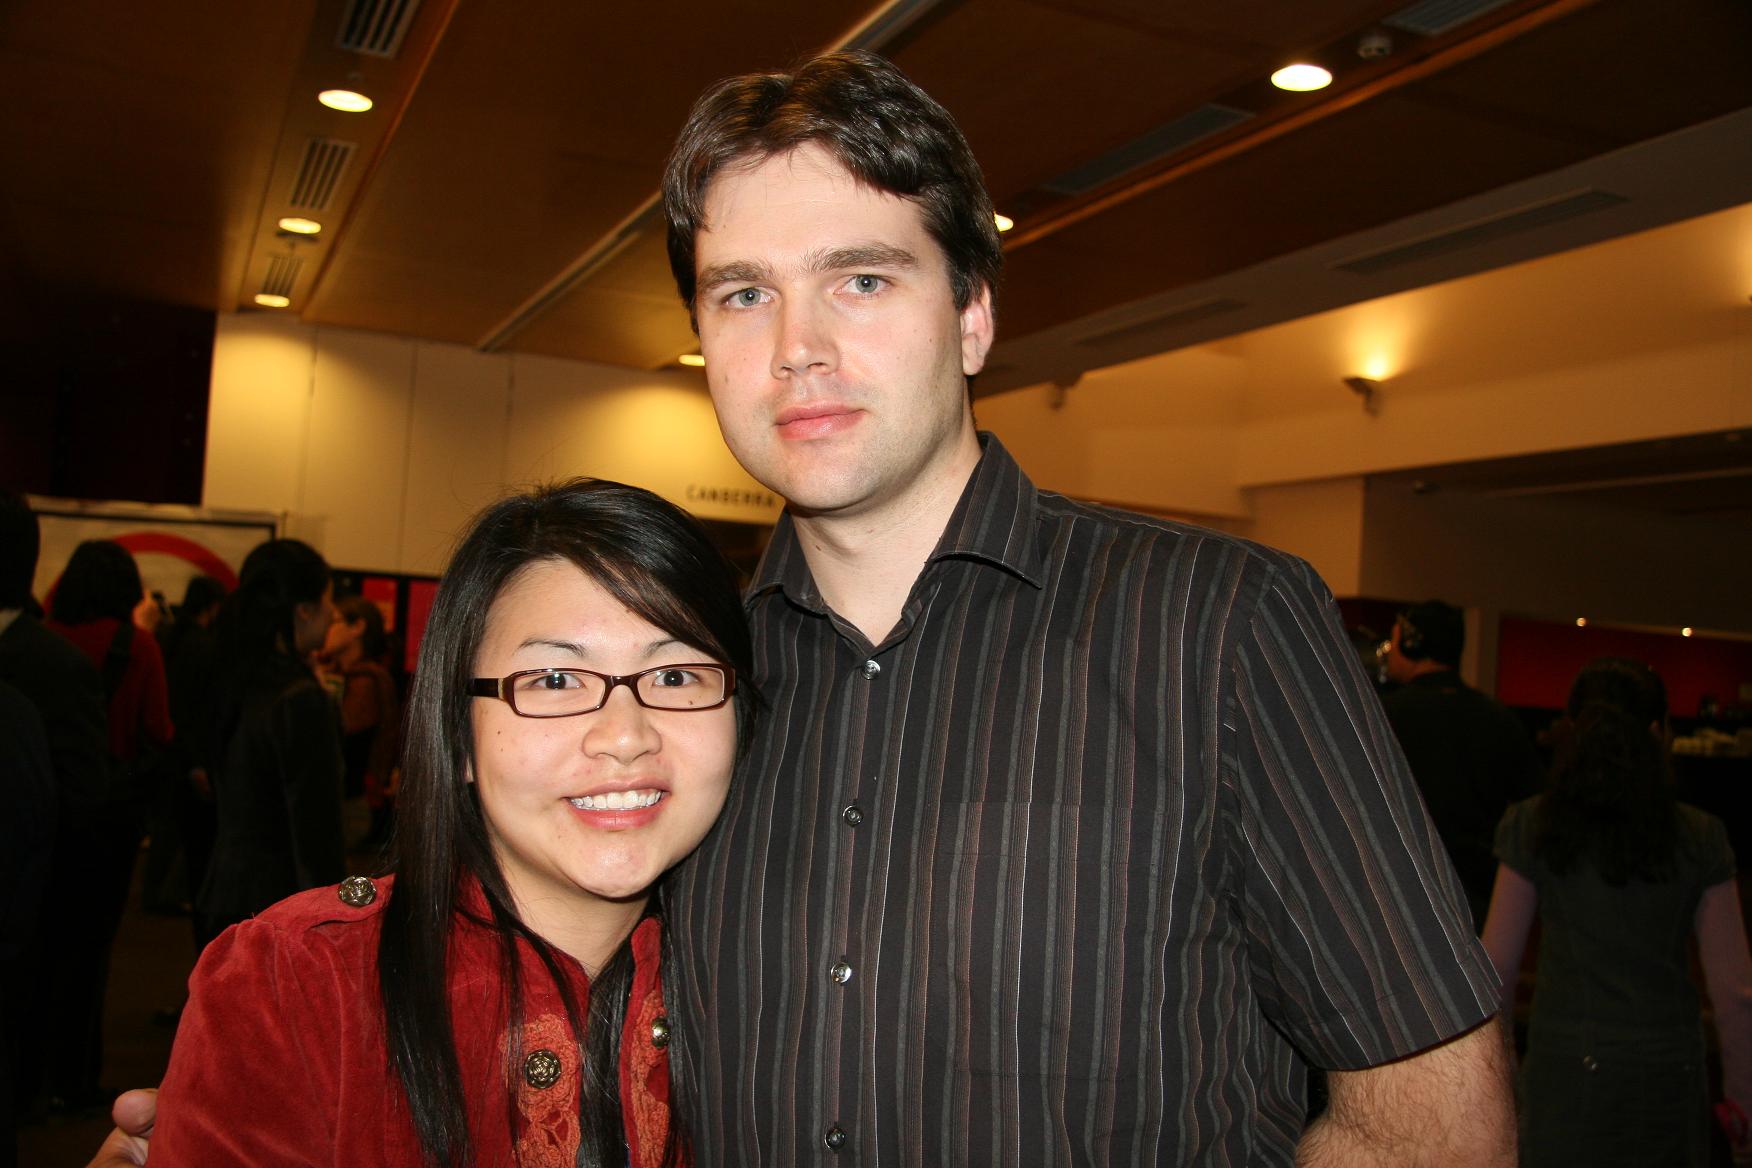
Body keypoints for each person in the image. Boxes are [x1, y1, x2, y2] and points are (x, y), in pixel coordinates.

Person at [92, 51, 1514, 1167]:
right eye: (743, 295)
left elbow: (1432, 1124)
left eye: (862, 278)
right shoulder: (694, 692)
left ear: (974, 311)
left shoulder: (1218, 624)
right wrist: (261, 1081)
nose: (800, 349)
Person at [148, 479, 751, 1166]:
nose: (624, 736)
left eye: (676, 676)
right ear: (458, 736)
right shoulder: (299, 987)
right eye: (555, 680)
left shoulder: (768, 996)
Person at [1480, 658, 1752, 1167]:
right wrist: (1743, 1106)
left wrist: (1499, 1085)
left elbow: (1496, 970)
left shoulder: (1532, 826)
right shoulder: (1701, 838)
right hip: (1668, 1078)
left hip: (1564, 1074)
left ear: (1572, 731)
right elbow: (1735, 994)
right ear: (1659, 732)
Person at [42, 539, 173, 1110]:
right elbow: (159, 730)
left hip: (46, 815)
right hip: (108, 819)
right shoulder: (136, 647)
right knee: (89, 950)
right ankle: (74, 1076)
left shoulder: (42, 641)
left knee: (37, 942)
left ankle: (29, 1076)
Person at [194, 539, 345, 945]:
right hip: (278, 907)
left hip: (221, 891)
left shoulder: (235, 679)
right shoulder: (299, 700)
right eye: (328, 599)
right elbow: (316, 831)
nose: (333, 613)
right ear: (304, 610)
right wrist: (333, 922)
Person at [1380, 600, 1541, 929]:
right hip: (1479, 894)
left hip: (1403, 887)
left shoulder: (1384, 716)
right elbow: (1533, 799)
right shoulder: (1498, 718)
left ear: (1412, 644)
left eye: (1394, 640)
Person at [318, 593, 401, 848]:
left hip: (354, 803)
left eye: (333, 621)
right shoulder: (340, 674)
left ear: (357, 627)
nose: (325, 629)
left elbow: (342, 734)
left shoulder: (366, 680)